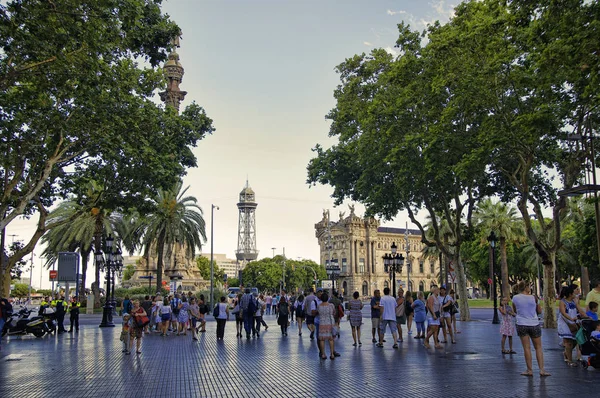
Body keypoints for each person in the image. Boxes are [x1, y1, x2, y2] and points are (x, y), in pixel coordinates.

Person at [512, 281, 550, 377]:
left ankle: (529, 370)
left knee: (526, 348)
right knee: (538, 347)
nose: (530, 288)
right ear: (526, 287)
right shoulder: (534, 298)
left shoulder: (515, 298)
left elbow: (515, 310)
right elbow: (539, 310)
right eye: (529, 286)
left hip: (521, 323)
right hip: (534, 323)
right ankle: (542, 369)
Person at [558, 284, 586, 367]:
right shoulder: (562, 302)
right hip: (565, 323)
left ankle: (567, 353)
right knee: (568, 342)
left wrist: (585, 315)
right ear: (570, 294)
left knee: (575, 340)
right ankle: (569, 360)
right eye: (573, 293)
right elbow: (563, 313)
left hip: (573, 322)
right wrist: (571, 319)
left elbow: (579, 309)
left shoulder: (574, 301)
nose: (575, 295)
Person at [317, 292, 339, 360]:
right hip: (330, 323)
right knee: (331, 339)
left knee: (322, 339)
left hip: (322, 323)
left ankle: (323, 354)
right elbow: (334, 312)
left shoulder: (319, 306)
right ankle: (332, 354)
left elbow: (318, 313)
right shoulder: (331, 305)